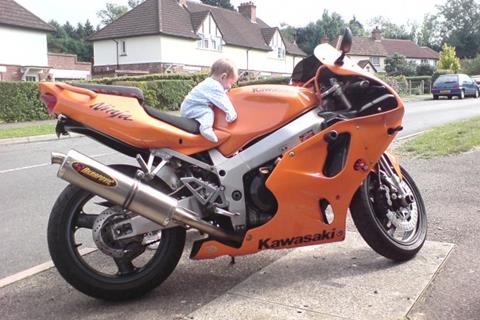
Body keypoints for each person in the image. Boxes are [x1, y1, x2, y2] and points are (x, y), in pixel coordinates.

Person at [180, 58, 238, 143]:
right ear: (223, 77)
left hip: (190, 106)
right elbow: (223, 102)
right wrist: (232, 115)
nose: (230, 87)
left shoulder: (210, 83)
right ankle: (206, 128)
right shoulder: (214, 86)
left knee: (207, 110)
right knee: (208, 112)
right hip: (192, 108)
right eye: (231, 83)